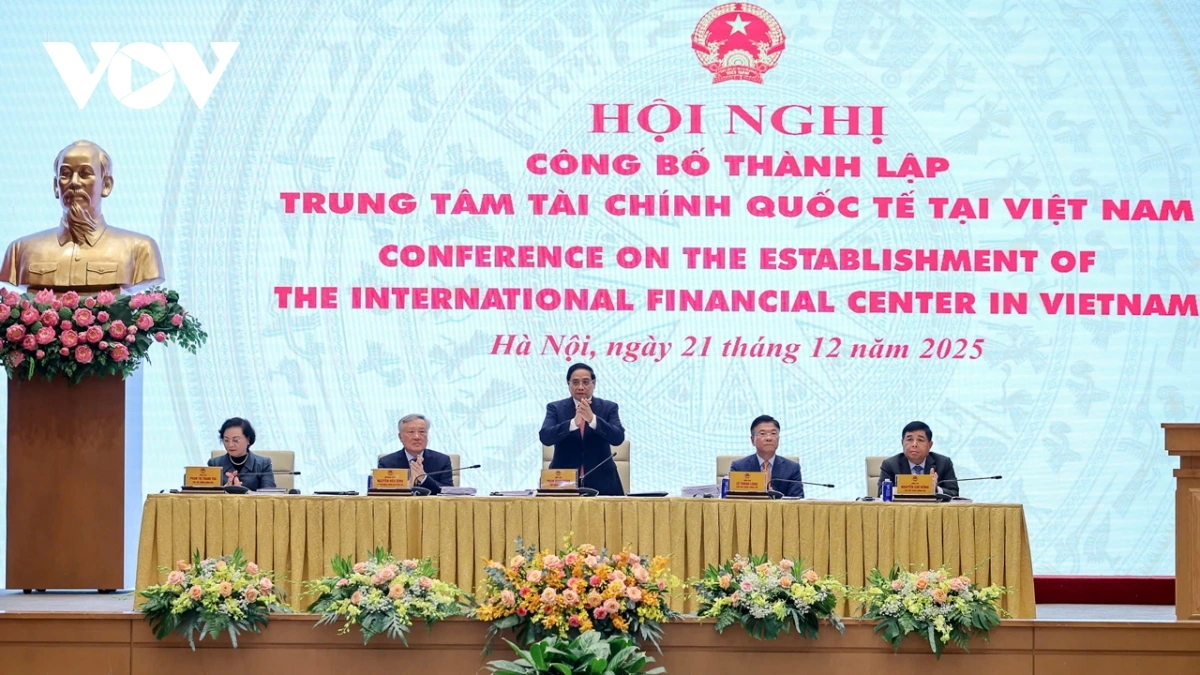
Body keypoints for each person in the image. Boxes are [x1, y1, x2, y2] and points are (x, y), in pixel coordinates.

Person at [0, 140, 165, 291]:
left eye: (85, 174)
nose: (74, 182)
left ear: (106, 185)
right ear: (56, 186)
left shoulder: (140, 250)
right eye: (65, 174)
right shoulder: (20, 251)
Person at [539, 363, 625, 496]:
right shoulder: (555, 408)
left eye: (585, 382)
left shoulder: (609, 407)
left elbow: (618, 438)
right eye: (575, 382)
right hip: (562, 482)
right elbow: (545, 437)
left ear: (594, 383)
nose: (580, 387)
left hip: (603, 481)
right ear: (568, 384)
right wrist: (573, 423)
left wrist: (592, 419)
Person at [877, 420, 959, 497]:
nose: (914, 444)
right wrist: (907, 489)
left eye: (920, 440)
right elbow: (881, 493)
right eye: (909, 439)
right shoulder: (890, 464)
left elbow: (954, 493)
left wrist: (936, 489)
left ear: (930, 445)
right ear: (902, 443)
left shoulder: (943, 463)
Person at [729, 415, 804, 498]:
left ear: (778, 438)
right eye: (762, 434)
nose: (769, 438)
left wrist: (772, 493)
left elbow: (798, 501)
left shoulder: (792, 468)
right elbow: (733, 500)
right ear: (752, 440)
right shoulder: (739, 467)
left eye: (773, 433)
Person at [378, 414, 454, 495]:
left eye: (422, 432)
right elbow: (381, 494)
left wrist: (424, 478)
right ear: (400, 437)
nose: (417, 437)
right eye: (411, 432)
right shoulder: (387, 463)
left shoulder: (442, 460)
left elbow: (448, 491)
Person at [207, 418, 275, 490]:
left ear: (248, 440)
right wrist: (224, 491)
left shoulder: (263, 464)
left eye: (236, 440)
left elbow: (269, 493)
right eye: (226, 440)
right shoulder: (214, 464)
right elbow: (208, 494)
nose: (230, 445)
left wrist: (243, 492)